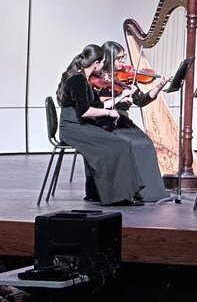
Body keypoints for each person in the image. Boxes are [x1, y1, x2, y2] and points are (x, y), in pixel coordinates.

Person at [56, 44, 165, 206]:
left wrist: (120, 98)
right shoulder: (78, 80)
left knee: (120, 144)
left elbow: (98, 104)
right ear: (97, 63)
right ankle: (116, 196)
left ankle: (126, 192)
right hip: (73, 127)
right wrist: (109, 113)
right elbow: (85, 111)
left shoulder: (83, 79)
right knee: (117, 145)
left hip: (79, 124)